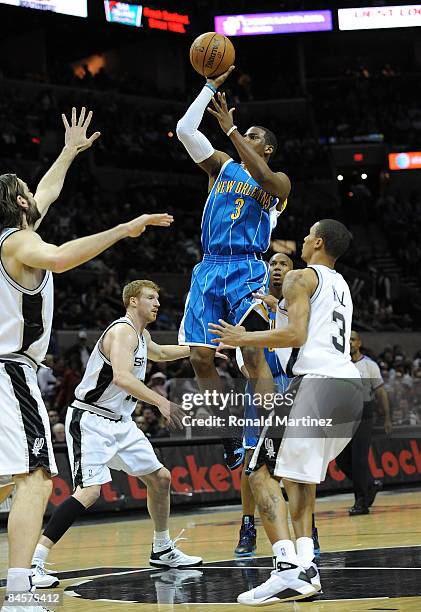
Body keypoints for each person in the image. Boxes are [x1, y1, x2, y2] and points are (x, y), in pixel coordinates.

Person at [0, 106, 173, 612]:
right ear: (17, 200)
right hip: (11, 369)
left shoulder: (13, 236)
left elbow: (47, 193)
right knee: (35, 477)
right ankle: (18, 587)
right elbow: (58, 256)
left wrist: (69, 151)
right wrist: (124, 228)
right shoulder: (22, 244)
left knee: (9, 480)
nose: (38, 193)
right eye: (28, 191)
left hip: (6, 366)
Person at [210, 219, 363, 605]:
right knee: (299, 480)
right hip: (348, 389)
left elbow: (295, 335)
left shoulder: (299, 277)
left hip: (317, 384)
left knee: (257, 469)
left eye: (309, 233)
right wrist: (278, 306)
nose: (304, 238)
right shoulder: (340, 285)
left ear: (318, 242)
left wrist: (244, 337)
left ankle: (285, 569)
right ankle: (306, 566)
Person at [31, 280, 202, 589]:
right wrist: (161, 401)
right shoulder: (121, 331)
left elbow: (161, 353)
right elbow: (122, 377)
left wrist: (202, 349)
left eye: (158, 297)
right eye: (151, 297)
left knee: (160, 478)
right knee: (90, 491)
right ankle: (35, 562)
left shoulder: (141, 334)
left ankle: (162, 549)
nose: (157, 303)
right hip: (91, 420)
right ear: (132, 302)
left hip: (121, 422)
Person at [176, 67, 291, 470]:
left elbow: (261, 174)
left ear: (269, 149)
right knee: (200, 359)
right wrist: (208, 88)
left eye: (256, 136)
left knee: (253, 356)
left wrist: (232, 132)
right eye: (248, 134)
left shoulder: (277, 181)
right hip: (208, 268)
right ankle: (227, 436)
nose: (248, 138)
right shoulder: (221, 167)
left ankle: (272, 434)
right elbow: (185, 130)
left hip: (247, 268)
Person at [234, 254, 320, 561]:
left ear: (293, 272)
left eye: (283, 263)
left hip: (294, 384)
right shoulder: (253, 304)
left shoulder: (298, 305)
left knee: (298, 461)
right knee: (251, 458)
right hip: (260, 385)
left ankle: (307, 529)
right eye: (273, 263)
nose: (277, 268)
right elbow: (242, 351)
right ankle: (247, 526)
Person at [336, 330, 392, 515]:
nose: (350, 343)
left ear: (359, 343)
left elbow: (381, 392)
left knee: (359, 460)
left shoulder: (369, 365)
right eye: (347, 340)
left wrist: (387, 418)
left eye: (353, 339)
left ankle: (361, 502)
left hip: (363, 413)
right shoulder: (340, 365)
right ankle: (370, 484)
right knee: (341, 460)